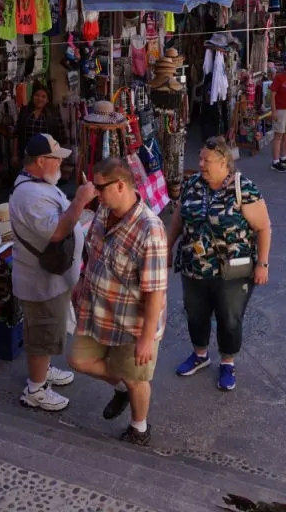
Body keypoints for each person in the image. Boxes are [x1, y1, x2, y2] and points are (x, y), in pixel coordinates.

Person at [68, 159, 168, 447]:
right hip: (97, 309)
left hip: (130, 322)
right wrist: (82, 279)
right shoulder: (104, 209)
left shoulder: (150, 230)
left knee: (138, 378)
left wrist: (146, 338)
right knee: (78, 359)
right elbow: (92, 251)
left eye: (99, 187)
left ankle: (139, 428)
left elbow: (155, 291)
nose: (94, 193)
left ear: (120, 185)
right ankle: (123, 385)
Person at [167, 137, 272, 392]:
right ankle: (200, 355)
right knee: (195, 313)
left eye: (207, 160)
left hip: (232, 271)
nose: (201, 164)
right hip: (194, 266)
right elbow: (179, 218)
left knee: (229, 318)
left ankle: (227, 362)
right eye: (200, 159)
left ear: (224, 162)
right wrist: (168, 248)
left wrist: (263, 264)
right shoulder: (193, 183)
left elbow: (263, 227)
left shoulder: (243, 188)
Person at [9, 134, 98, 411]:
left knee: (48, 329)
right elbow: (57, 232)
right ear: (40, 161)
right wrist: (81, 200)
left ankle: (43, 371)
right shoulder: (30, 195)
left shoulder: (38, 185)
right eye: (56, 158)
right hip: (40, 283)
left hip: (50, 279)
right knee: (42, 332)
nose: (62, 163)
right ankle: (35, 389)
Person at [12, 83, 61, 170]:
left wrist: (58, 157)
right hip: (26, 156)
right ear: (32, 96)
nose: (39, 99)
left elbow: (59, 137)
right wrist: (15, 155)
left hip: (46, 157)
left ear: (47, 100)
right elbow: (16, 134)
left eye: (43, 96)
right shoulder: (24, 111)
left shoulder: (53, 114)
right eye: (37, 95)